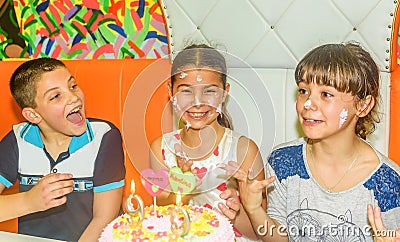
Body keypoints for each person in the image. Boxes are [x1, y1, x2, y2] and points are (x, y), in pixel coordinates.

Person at [229, 42, 400, 241]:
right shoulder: (284, 162)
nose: (308, 104)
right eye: (303, 91)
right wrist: (253, 209)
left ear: (363, 105)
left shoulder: (386, 183)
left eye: (326, 94)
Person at [0, 58, 126, 241]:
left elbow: (104, 219)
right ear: (33, 115)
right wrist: (28, 201)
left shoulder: (104, 136)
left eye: (73, 86)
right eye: (56, 96)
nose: (73, 97)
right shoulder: (17, 139)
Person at [149, 44, 265, 240]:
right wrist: (183, 186)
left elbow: (260, 234)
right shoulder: (161, 149)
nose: (197, 102)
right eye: (186, 91)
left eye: (209, 91)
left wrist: (237, 213)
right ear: (170, 91)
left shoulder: (243, 150)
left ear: (224, 92)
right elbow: (161, 215)